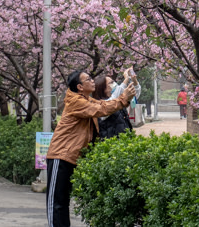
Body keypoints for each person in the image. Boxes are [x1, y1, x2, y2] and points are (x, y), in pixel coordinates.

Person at [46, 69, 136, 227]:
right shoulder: (76, 102)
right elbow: (101, 110)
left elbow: (104, 104)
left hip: (71, 156)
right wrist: (123, 99)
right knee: (57, 203)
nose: (93, 81)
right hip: (60, 156)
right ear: (80, 87)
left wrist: (124, 96)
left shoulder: (85, 99)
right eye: (88, 79)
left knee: (64, 202)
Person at [93, 75, 133, 140]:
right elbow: (111, 103)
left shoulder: (117, 100)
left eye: (113, 81)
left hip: (124, 142)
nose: (114, 84)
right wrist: (126, 80)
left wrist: (134, 81)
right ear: (103, 88)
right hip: (111, 143)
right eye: (111, 83)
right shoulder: (99, 105)